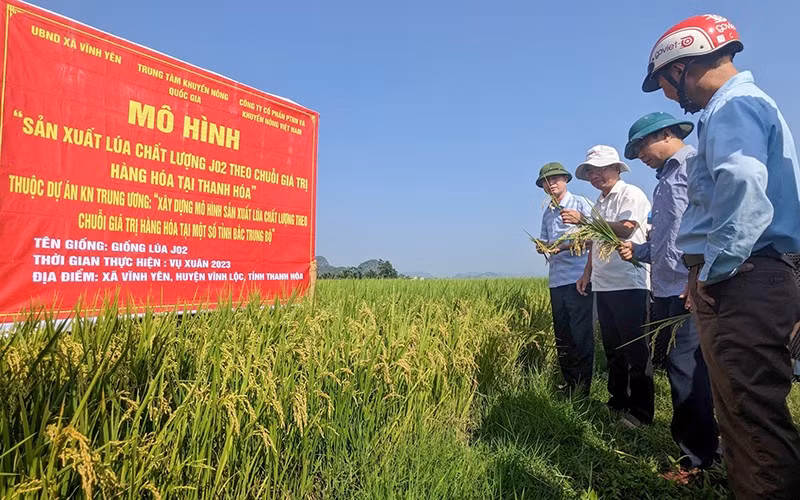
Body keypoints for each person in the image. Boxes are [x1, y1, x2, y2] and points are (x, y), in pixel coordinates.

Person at [642, 14, 800, 498]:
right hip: (747, 276)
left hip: (741, 280)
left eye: (667, 84)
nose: (671, 97)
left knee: (753, 423)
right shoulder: (738, 107)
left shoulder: (734, 105)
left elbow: (743, 190)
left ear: (683, 67)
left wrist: (712, 273)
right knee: (743, 415)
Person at [619, 112, 719, 480]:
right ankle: (706, 447)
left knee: (688, 370)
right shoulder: (663, 180)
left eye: (641, 146)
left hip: (687, 289)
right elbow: (667, 240)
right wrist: (638, 251)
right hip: (665, 287)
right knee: (683, 368)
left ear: (665, 134)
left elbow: (709, 227)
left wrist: (698, 278)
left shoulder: (693, 166)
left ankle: (699, 460)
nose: (639, 155)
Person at [563, 145, 653, 428]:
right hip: (604, 284)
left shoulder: (631, 194)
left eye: (600, 169)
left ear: (616, 168)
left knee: (636, 350)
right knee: (614, 349)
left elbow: (626, 228)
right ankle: (617, 402)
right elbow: (595, 243)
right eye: (590, 171)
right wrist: (587, 274)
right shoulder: (599, 203)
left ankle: (641, 413)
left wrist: (585, 220)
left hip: (630, 283)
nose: (595, 175)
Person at [536, 162, 595, 396]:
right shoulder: (547, 212)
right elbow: (545, 242)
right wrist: (543, 248)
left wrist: (564, 246)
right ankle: (569, 382)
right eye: (546, 181)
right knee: (563, 334)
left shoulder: (581, 205)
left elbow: (597, 238)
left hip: (579, 278)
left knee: (581, 334)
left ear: (566, 180)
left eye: (555, 179)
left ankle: (582, 388)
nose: (551, 184)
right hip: (556, 281)